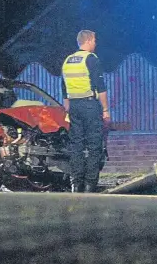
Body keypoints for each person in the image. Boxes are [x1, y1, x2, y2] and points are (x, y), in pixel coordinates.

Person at [61, 30, 110, 193]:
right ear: (88, 41)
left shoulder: (67, 61)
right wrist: (105, 110)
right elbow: (101, 87)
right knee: (94, 145)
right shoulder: (91, 59)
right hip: (90, 106)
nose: (95, 43)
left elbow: (64, 87)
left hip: (74, 107)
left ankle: (76, 183)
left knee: (76, 146)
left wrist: (68, 106)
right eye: (94, 40)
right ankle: (90, 185)